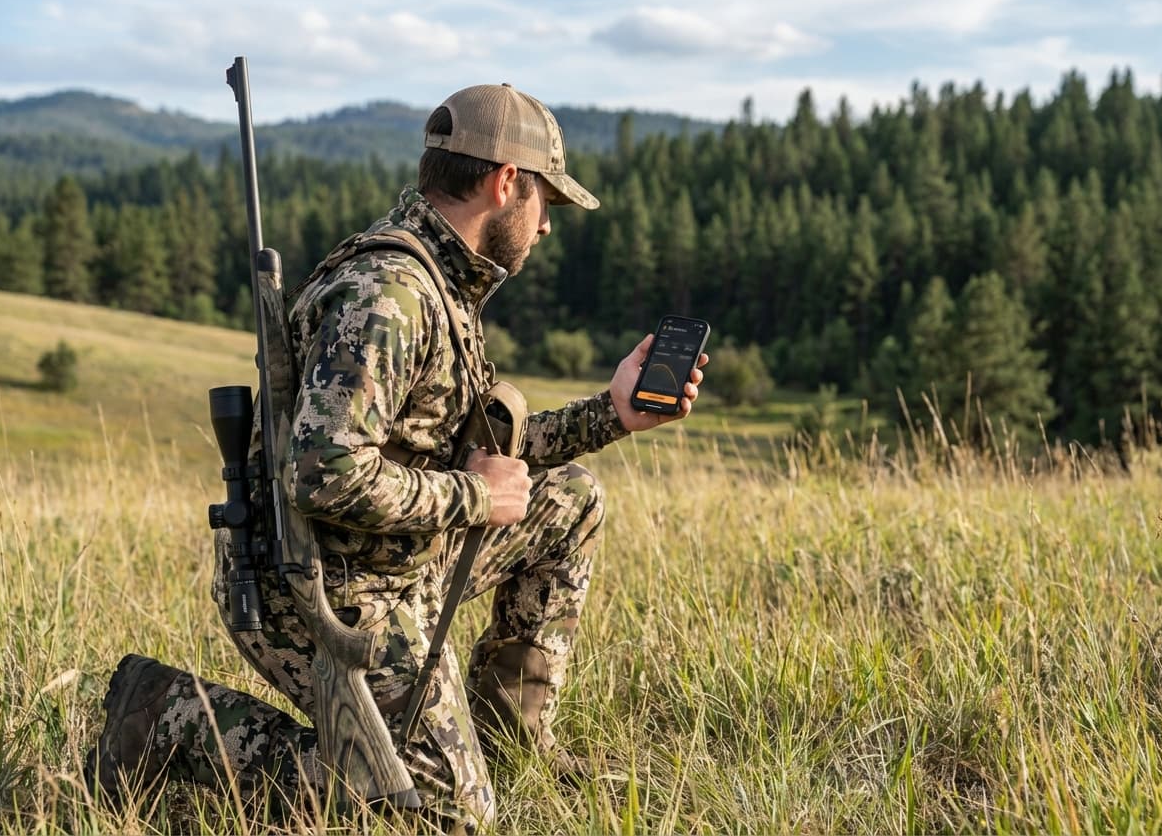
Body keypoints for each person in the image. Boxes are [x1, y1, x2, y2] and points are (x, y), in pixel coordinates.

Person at [85, 83, 707, 832]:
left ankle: (508, 735)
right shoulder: (391, 295)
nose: (545, 227)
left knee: (568, 498)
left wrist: (612, 414)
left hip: (399, 554)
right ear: (506, 182)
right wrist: (475, 500)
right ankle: (168, 718)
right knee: (442, 817)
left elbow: (469, 451)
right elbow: (323, 474)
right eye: (546, 201)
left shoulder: (443, 282)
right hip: (327, 591)